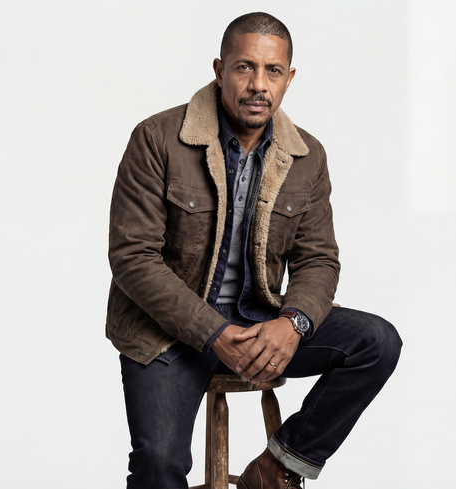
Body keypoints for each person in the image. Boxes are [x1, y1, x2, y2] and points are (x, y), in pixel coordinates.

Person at [106, 12, 402, 489]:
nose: (258, 84)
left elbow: (318, 259)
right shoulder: (157, 138)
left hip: (259, 318)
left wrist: (293, 323)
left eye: (273, 71)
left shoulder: (308, 155)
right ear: (220, 70)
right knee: (158, 464)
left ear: (289, 78)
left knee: (376, 342)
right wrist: (214, 331)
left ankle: (277, 468)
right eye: (245, 68)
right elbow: (132, 257)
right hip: (166, 330)